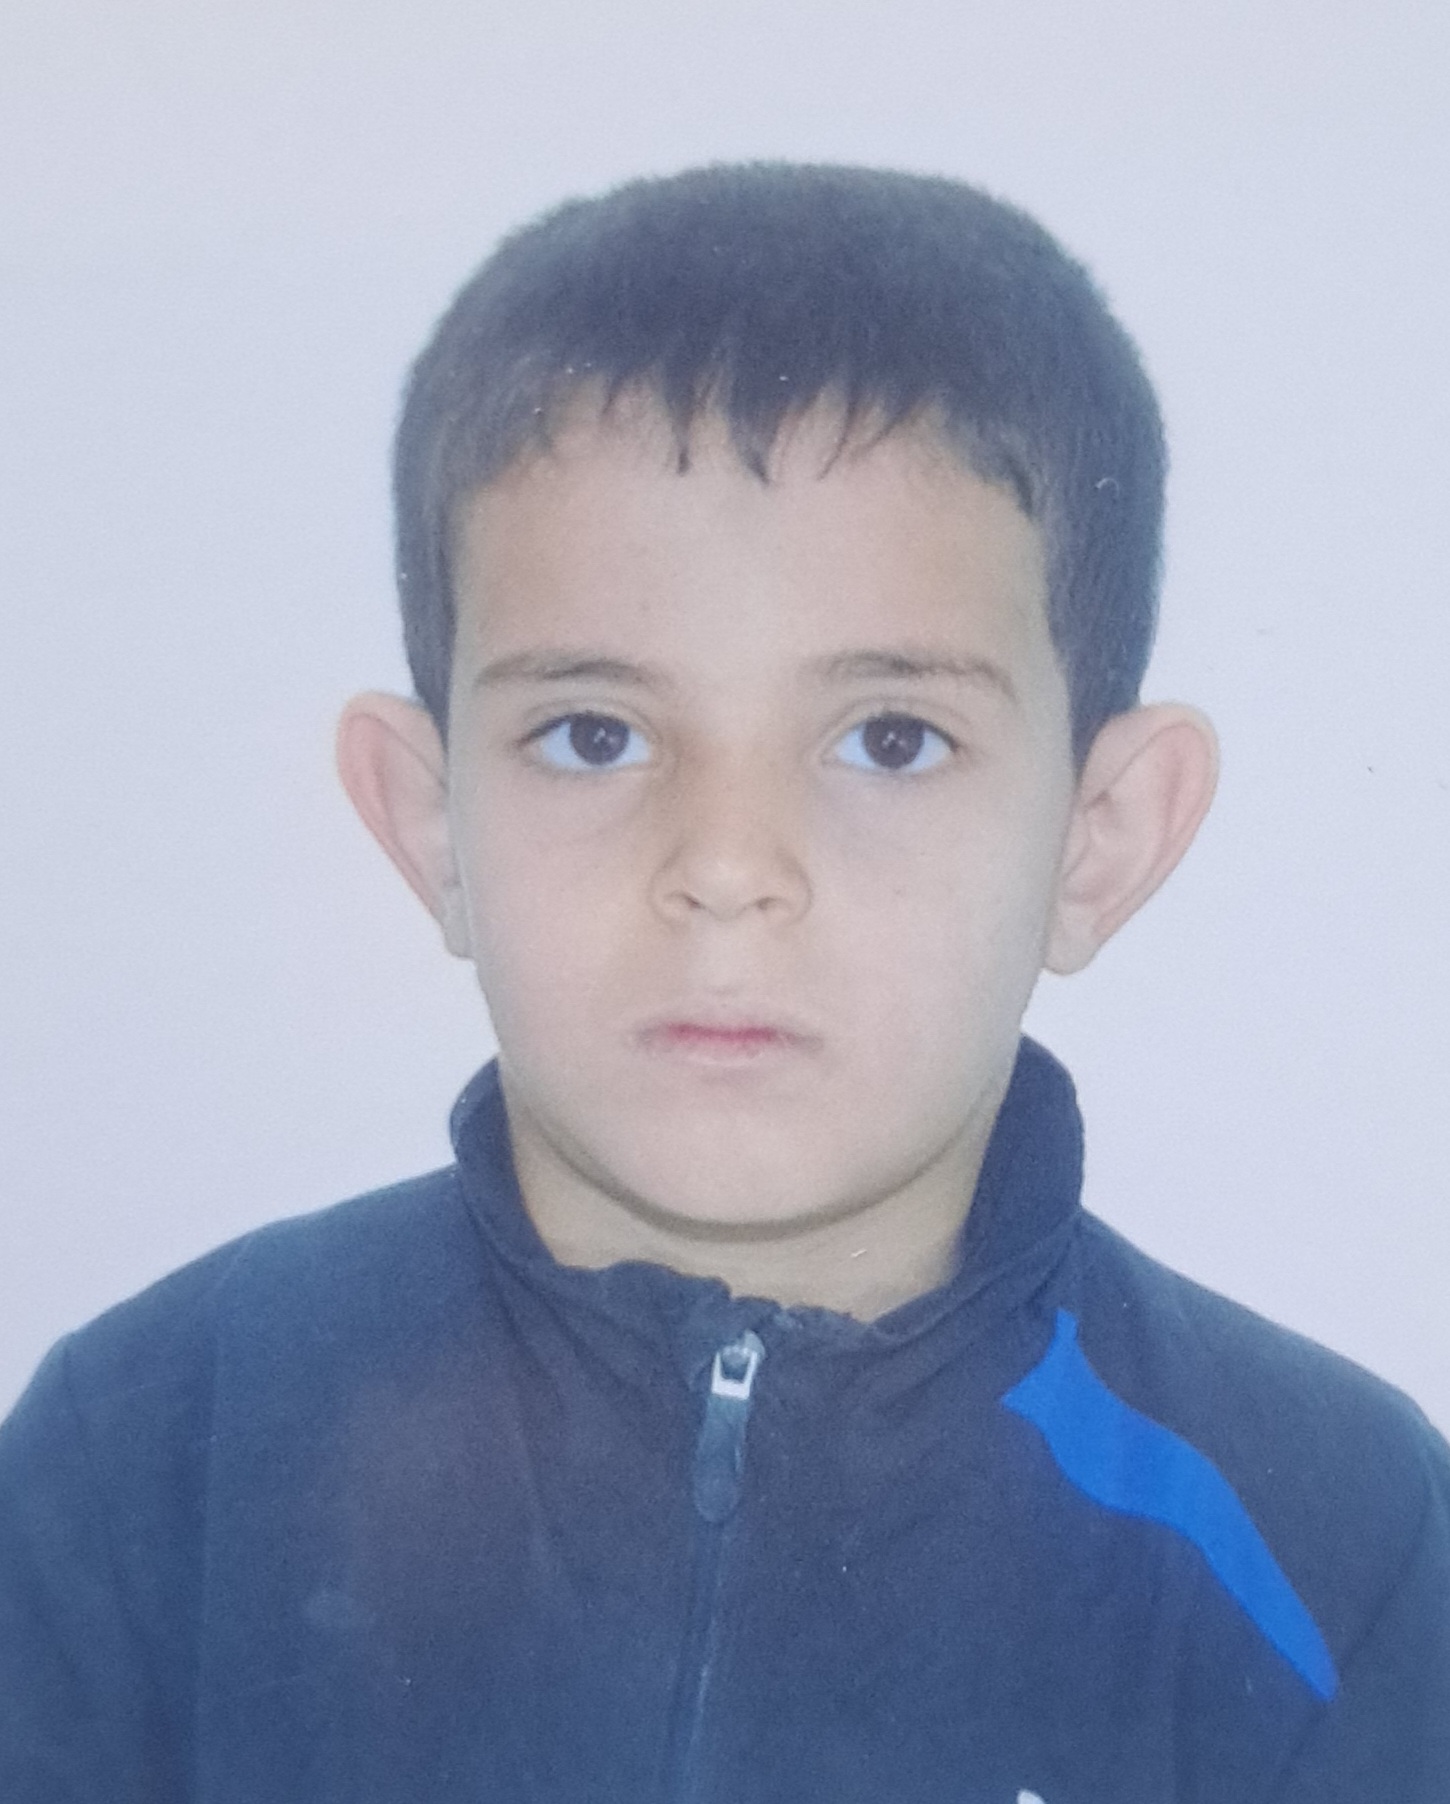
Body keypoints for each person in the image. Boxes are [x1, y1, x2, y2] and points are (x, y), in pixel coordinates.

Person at [1, 163, 1446, 1804]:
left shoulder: (1336, 1542)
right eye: (592, 735)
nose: (727, 863)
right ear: (430, 825)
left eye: (889, 739)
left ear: (1094, 839)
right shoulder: (148, 1459)